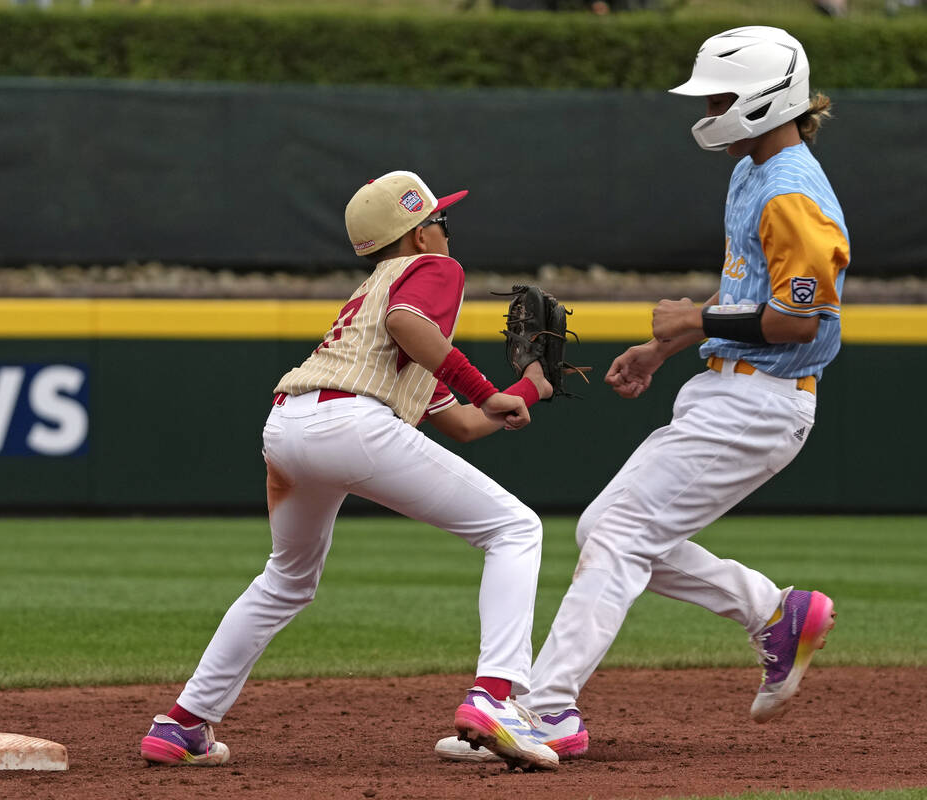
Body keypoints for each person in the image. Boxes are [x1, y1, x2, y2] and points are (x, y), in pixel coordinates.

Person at [436, 25, 846, 763]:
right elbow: (754, 297)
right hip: (732, 390)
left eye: (723, 95)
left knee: (619, 535)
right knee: (606, 531)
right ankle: (774, 614)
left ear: (764, 99)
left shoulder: (792, 192)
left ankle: (544, 710)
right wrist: (668, 345)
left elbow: (801, 317)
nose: (711, 108)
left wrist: (694, 318)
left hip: (764, 401)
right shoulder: (754, 168)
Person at [139, 170, 561, 771]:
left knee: (286, 580)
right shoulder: (435, 273)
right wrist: (489, 387)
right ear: (418, 236)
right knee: (515, 529)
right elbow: (410, 328)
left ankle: (184, 724)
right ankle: (495, 697)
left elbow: (464, 423)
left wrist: (527, 389)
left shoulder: (371, 297)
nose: (446, 230)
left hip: (289, 426)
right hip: (349, 424)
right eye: (439, 220)